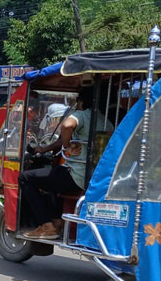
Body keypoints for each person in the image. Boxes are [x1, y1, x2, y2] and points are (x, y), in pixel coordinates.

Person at [19, 88, 110, 240]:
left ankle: (47, 226)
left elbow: (67, 125)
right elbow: (61, 139)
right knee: (53, 179)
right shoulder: (106, 121)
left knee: (25, 178)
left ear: (81, 102)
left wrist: (68, 147)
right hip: (94, 177)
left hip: (76, 175)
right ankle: (58, 221)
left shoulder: (83, 115)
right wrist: (44, 148)